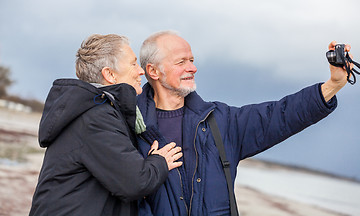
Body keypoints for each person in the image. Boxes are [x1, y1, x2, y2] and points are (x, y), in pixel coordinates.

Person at [135, 30, 353, 215]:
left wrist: (332, 85)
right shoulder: (129, 125)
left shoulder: (219, 121)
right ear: (153, 71)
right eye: (181, 62)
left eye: (191, 60)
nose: (192, 68)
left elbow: (278, 115)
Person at [29, 34, 183, 216]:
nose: (141, 71)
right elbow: (134, 182)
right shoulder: (95, 117)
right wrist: (160, 161)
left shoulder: (95, 110)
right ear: (110, 74)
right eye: (133, 64)